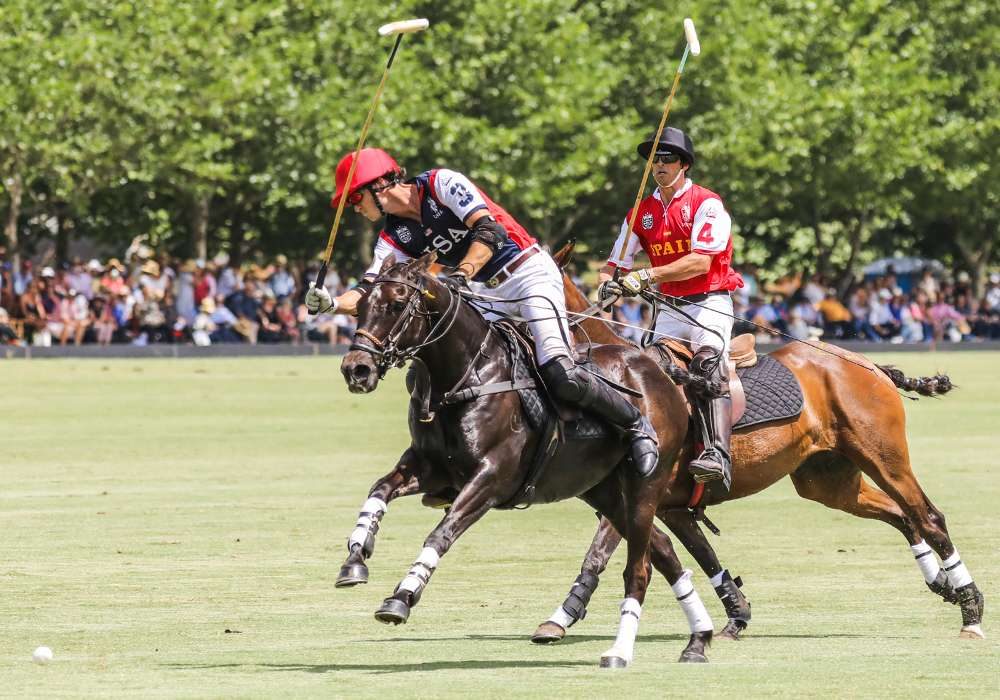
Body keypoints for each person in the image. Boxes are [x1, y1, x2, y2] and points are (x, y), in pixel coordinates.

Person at [305, 147, 658, 476]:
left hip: (527, 273)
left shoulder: (441, 184)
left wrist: (462, 274)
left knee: (558, 367)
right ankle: (457, 462)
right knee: (427, 374)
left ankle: (637, 426)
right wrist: (332, 303)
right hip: (484, 292)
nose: (353, 207)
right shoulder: (393, 237)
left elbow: (490, 230)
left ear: (379, 184)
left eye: (353, 198)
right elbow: (370, 292)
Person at [596, 127, 743, 489]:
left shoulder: (706, 203)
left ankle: (717, 453)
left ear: (684, 165)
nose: (659, 165)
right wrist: (605, 286)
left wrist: (646, 276)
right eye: (654, 159)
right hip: (669, 311)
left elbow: (701, 262)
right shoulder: (640, 213)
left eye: (667, 159)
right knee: (643, 371)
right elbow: (614, 264)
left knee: (708, 366)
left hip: (708, 303)